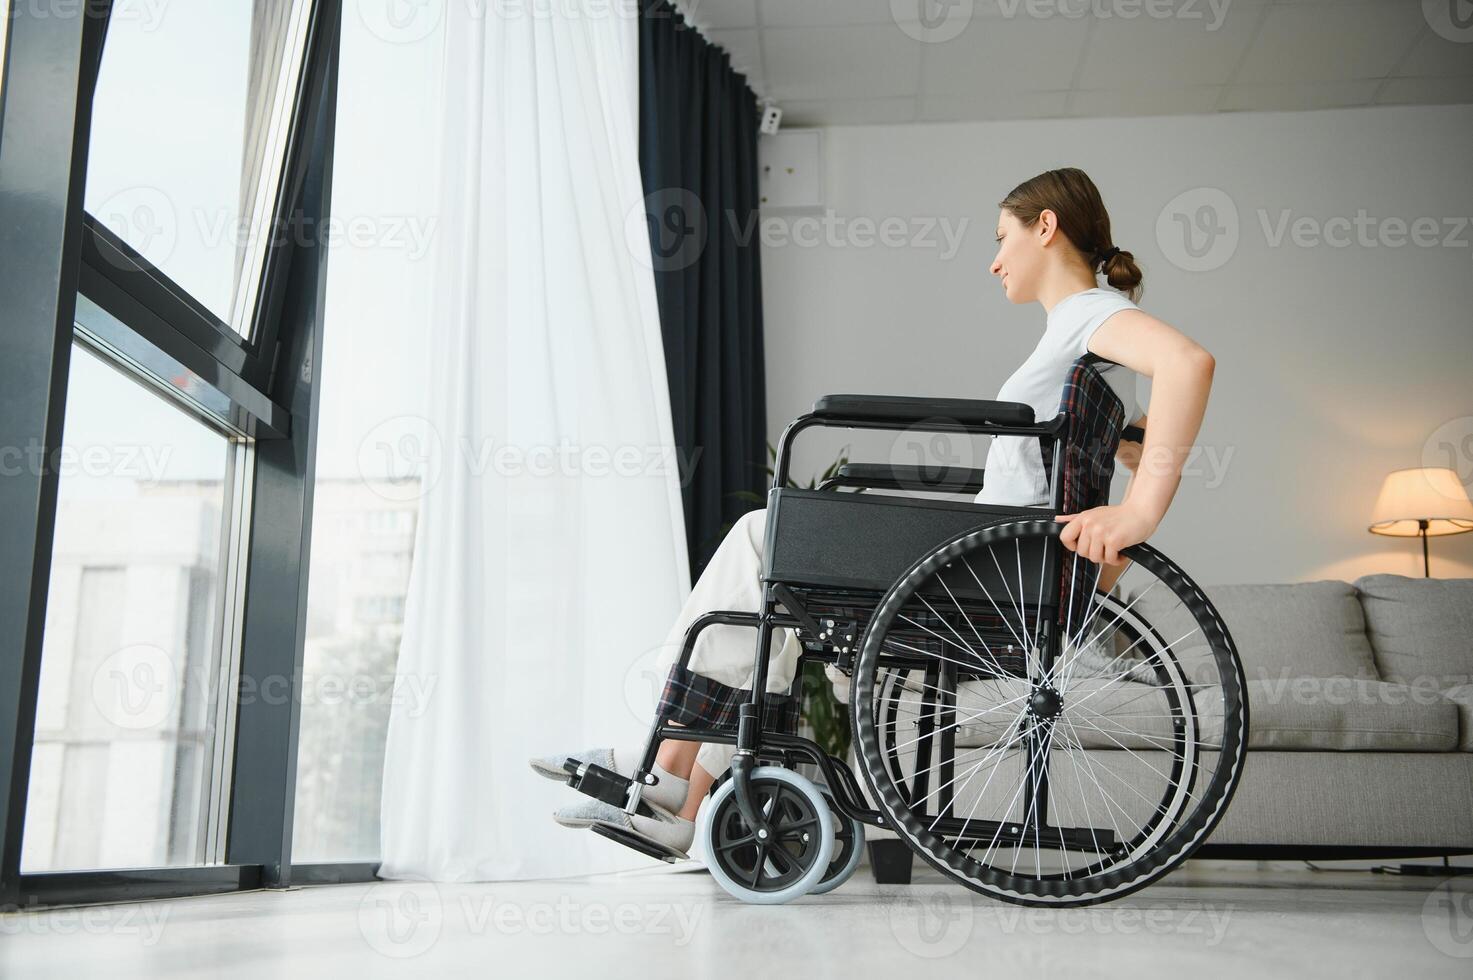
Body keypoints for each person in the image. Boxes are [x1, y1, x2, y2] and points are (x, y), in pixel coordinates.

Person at [530, 167, 1217, 857]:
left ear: (1047, 227)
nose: (994, 258)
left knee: (762, 538)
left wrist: (1139, 513)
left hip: (984, 571)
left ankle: (667, 773)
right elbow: (1078, 440)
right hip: (989, 564)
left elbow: (1189, 362)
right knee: (784, 590)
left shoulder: (1089, 315)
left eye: (1002, 236)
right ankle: (687, 791)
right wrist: (1130, 440)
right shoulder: (1084, 327)